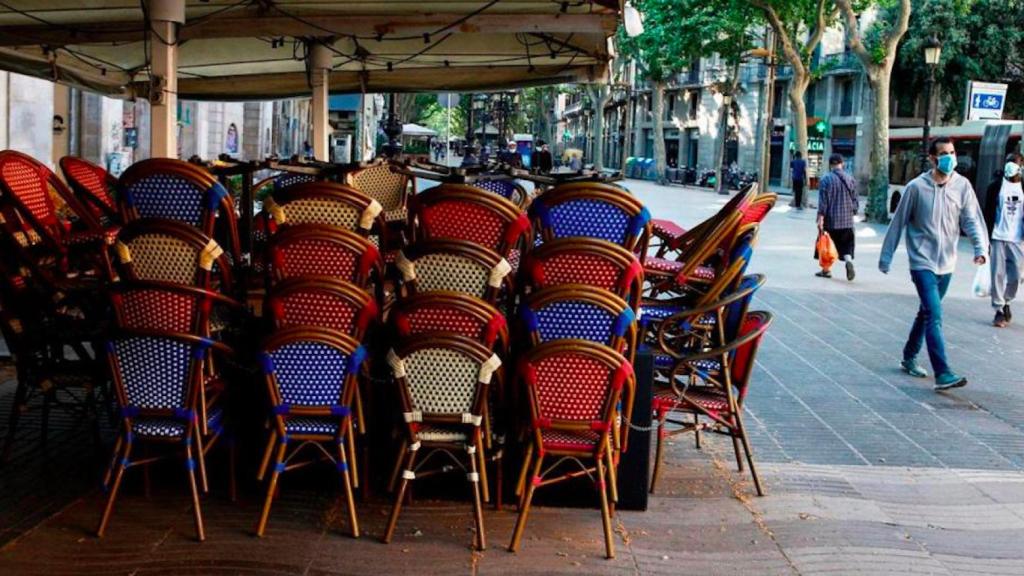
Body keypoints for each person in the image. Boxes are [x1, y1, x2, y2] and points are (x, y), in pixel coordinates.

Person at [879, 137, 988, 391]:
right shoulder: (916, 187)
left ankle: (908, 355)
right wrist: (886, 258)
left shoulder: (962, 186)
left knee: (926, 312)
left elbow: (971, 220)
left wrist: (980, 248)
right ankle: (943, 373)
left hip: (947, 263)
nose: (950, 157)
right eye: (944, 153)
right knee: (934, 315)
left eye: (952, 152)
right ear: (932, 158)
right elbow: (899, 222)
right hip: (922, 262)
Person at [984, 153, 1024, 327]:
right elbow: (988, 212)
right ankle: (999, 310)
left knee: (1016, 275)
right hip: (998, 236)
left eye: (1014, 163)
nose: (1011, 165)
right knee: (997, 274)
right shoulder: (995, 187)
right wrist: (984, 238)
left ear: (1021, 166)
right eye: (1008, 162)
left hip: (1017, 239)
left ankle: (1007, 300)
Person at [816, 154, 859, 281]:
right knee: (846, 245)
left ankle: (826, 270)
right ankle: (848, 262)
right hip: (847, 220)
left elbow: (823, 202)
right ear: (842, 164)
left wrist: (820, 217)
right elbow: (855, 200)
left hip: (831, 220)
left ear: (830, 165)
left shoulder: (826, 179)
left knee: (826, 244)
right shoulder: (850, 179)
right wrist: (853, 212)